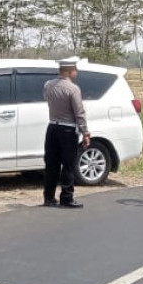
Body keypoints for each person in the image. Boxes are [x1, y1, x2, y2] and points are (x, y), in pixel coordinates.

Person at [42, 56, 90, 208]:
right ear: (70, 72)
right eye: (75, 70)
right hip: (68, 129)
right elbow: (79, 112)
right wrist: (85, 132)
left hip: (52, 126)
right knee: (68, 164)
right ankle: (67, 197)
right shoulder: (73, 89)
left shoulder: (48, 85)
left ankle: (49, 197)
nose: (76, 72)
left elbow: (47, 99)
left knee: (51, 164)